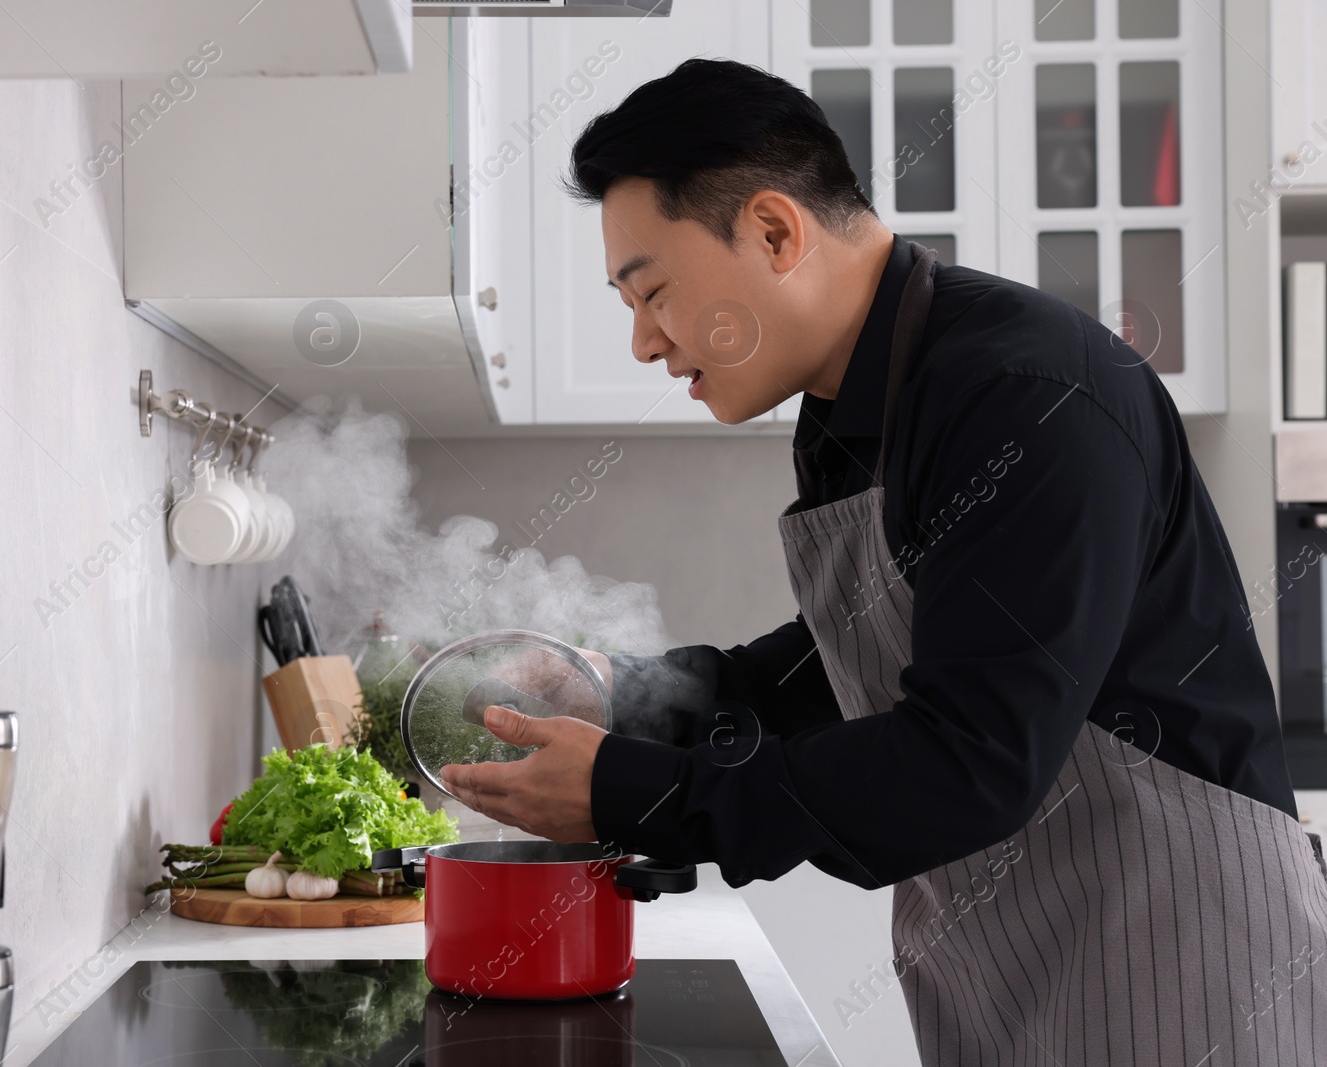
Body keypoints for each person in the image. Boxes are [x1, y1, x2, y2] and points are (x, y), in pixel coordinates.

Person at [439, 58, 1327, 1065]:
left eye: (652, 293)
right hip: (1026, 961)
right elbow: (866, 653)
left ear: (775, 232)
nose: (644, 340)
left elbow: (967, 761)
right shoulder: (855, 403)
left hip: (1188, 982)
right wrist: (627, 696)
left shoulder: (1024, 394)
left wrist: (635, 792)